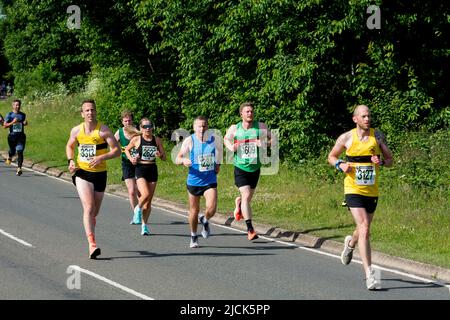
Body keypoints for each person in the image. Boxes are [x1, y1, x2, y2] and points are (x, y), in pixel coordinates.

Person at [327, 104, 393, 290]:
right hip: (352, 189)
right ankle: (370, 275)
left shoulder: (377, 136)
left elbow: (390, 161)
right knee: (364, 227)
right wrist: (340, 164)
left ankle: (350, 242)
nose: (367, 119)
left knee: (363, 229)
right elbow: (331, 156)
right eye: (363, 116)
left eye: (369, 116)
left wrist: (380, 161)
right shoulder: (346, 137)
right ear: (355, 119)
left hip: (371, 191)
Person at [66, 99, 121, 259]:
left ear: (96, 112)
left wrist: (102, 157)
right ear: (82, 114)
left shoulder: (104, 131)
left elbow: (117, 151)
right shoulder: (76, 131)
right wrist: (71, 161)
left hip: (100, 174)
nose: (90, 113)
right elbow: (69, 146)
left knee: (95, 211)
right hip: (82, 172)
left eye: (92, 110)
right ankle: (92, 244)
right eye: (87, 110)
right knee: (89, 207)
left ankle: (90, 222)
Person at [224, 102, 272, 241]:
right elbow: (226, 138)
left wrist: (264, 143)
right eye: (247, 112)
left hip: (255, 168)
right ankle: (250, 229)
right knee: (246, 196)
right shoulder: (235, 128)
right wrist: (231, 147)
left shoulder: (261, 126)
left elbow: (273, 140)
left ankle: (239, 204)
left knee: (247, 199)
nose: (250, 113)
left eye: (251, 111)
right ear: (241, 114)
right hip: (240, 168)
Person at [176, 116, 221, 248]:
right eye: (199, 126)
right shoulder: (190, 141)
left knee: (212, 208)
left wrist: (218, 164)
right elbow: (178, 158)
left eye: (204, 126)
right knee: (194, 211)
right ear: (194, 127)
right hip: (194, 180)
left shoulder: (214, 140)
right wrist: (183, 161)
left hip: (209, 180)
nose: (202, 129)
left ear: (208, 127)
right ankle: (193, 235)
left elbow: (218, 153)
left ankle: (205, 219)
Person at [124, 118, 166, 236]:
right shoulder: (137, 139)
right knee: (145, 194)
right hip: (140, 169)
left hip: (152, 169)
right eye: (145, 127)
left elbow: (164, 157)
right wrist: (131, 158)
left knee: (148, 203)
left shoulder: (156, 140)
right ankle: (137, 209)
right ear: (141, 128)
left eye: (149, 126)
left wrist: (160, 154)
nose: (148, 129)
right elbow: (127, 150)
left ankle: (144, 226)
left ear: (152, 127)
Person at [114, 110, 140, 224]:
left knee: (140, 191)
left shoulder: (137, 131)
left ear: (132, 120)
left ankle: (141, 211)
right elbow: (113, 144)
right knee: (131, 191)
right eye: (125, 121)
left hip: (139, 163)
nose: (127, 122)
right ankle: (136, 213)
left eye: (129, 120)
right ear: (122, 121)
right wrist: (117, 150)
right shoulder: (119, 132)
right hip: (126, 163)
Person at [3, 99, 28, 176]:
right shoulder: (9, 115)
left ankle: (19, 168)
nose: (18, 106)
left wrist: (25, 123)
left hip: (21, 136)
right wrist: (13, 122)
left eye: (19, 105)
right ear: (13, 106)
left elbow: (23, 123)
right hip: (12, 137)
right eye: (16, 105)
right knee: (12, 151)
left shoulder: (23, 115)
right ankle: (10, 157)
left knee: (20, 151)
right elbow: (5, 126)